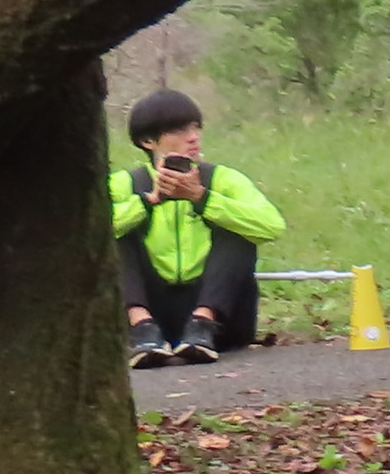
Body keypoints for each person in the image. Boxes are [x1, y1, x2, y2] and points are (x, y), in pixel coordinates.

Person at [110, 88, 284, 366]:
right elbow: (85, 239)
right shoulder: (123, 184)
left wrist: (202, 199)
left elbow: (272, 226)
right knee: (115, 234)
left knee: (239, 227)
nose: (193, 137)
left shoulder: (223, 179)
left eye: (196, 128)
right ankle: (141, 327)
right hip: (150, 313)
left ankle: (202, 323)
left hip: (220, 320)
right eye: (179, 130)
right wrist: (148, 202)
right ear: (147, 141)